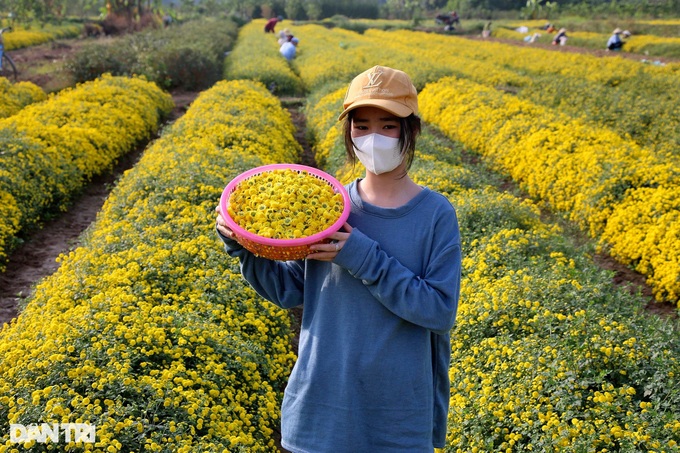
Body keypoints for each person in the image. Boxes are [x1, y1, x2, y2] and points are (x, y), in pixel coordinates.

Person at [215, 65, 461, 452]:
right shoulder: (329, 206)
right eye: (361, 126)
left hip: (395, 418)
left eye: (388, 125)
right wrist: (244, 245)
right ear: (348, 132)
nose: (373, 137)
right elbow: (288, 289)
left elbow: (439, 311)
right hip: (321, 410)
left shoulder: (434, 214)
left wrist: (363, 257)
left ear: (411, 130)